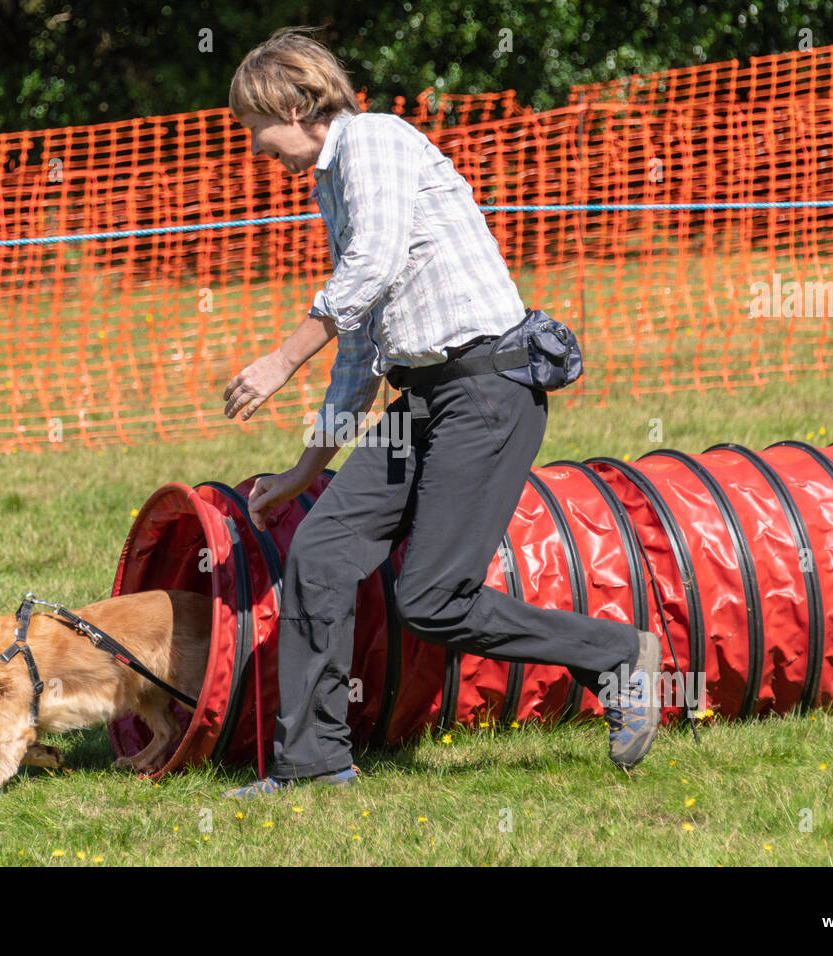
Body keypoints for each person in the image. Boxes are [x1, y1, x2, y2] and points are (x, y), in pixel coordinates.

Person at [219, 27, 661, 798]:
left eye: (259, 132)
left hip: (488, 389)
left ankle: (615, 651)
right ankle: (315, 766)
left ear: (295, 102)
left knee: (430, 597)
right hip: (419, 399)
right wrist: (303, 471)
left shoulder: (375, 141)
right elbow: (359, 349)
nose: (260, 151)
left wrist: (282, 358)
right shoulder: (331, 184)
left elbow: (375, 263)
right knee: (321, 552)